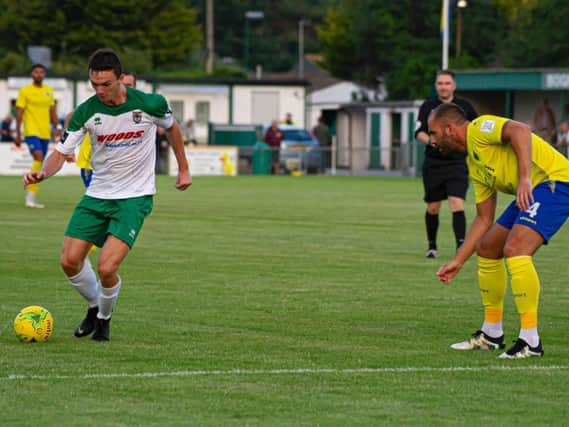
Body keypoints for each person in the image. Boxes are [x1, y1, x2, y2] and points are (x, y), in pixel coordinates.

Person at [23, 48, 192, 342]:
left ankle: (103, 318)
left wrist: (183, 169)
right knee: (69, 260)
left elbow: (172, 129)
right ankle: (93, 306)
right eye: (95, 84)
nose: (100, 91)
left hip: (135, 197)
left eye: (106, 84)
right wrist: (42, 174)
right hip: (98, 194)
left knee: (106, 267)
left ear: (120, 79)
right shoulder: (87, 111)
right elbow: (61, 153)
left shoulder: (150, 103)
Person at [430, 103, 569, 359]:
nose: (432, 141)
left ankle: (530, 341)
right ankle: (491, 334)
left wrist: (524, 178)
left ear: (450, 129)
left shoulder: (479, 128)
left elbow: (520, 130)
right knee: (488, 248)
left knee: (516, 249)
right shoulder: (475, 164)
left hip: (556, 181)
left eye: (434, 133)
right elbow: (484, 219)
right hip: (532, 190)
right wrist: (458, 261)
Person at [415, 69, 478, 258]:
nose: (444, 86)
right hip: (434, 163)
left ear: (454, 85)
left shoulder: (464, 106)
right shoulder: (428, 106)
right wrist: (435, 142)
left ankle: (461, 245)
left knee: (456, 202)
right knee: (433, 206)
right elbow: (419, 132)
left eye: (447, 83)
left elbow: (474, 129)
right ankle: (432, 246)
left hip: (457, 162)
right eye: (440, 83)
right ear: (436, 86)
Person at [68, 70, 138, 189]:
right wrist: (69, 148)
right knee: (100, 201)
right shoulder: (101, 102)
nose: (125, 88)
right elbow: (71, 116)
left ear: (135, 87)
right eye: (123, 84)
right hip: (91, 163)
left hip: (114, 165)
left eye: (129, 85)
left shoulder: (138, 106)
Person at [16, 63, 62, 208]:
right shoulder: (25, 91)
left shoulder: (48, 91)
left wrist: (58, 128)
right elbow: (19, 114)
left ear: (44, 75)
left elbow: (53, 112)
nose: (39, 74)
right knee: (38, 157)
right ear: (32, 74)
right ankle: (30, 195)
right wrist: (17, 134)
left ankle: (32, 194)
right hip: (31, 131)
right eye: (36, 72)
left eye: (41, 72)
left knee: (40, 162)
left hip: (45, 132)